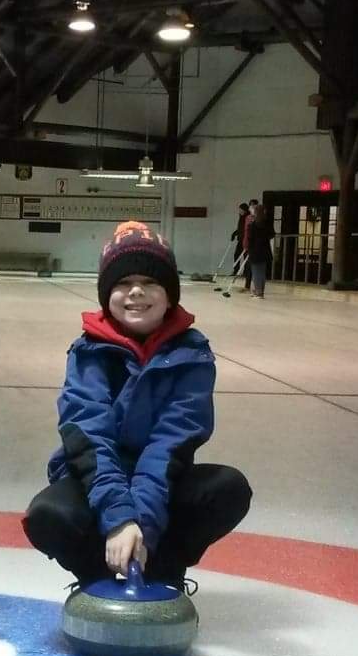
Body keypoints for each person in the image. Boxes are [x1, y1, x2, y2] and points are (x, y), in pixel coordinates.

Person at [23, 220, 251, 591]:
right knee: (48, 515)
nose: (136, 293)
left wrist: (141, 524)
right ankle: (97, 578)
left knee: (227, 488)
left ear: (170, 294)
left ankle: (162, 572)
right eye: (123, 284)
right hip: (99, 479)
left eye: (150, 283)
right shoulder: (87, 353)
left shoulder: (192, 354)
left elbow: (171, 443)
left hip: (160, 480)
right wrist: (118, 518)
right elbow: (89, 436)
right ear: (106, 294)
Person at [246, 199, 273, 298]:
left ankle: (258, 292)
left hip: (255, 251)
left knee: (256, 272)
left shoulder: (253, 225)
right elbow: (271, 234)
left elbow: (250, 238)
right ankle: (260, 291)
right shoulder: (267, 223)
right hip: (265, 250)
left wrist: (248, 248)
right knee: (262, 272)